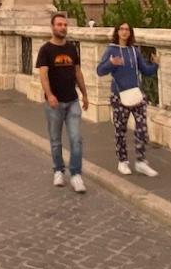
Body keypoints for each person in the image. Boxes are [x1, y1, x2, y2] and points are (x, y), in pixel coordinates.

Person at [96, 22, 159, 177]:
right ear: (117, 32)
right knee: (120, 130)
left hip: (137, 95)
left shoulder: (134, 51)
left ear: (130, 33)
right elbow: (100, 71)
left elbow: (145, 71)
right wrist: (111, 63)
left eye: (127, 30)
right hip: (119, 97)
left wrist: (155, 65)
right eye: (121, 29)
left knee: (142, 129)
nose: (124, 32)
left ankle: (141, 161)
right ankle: (122, 161)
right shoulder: (111, 50)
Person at [36, 13, 89, 193]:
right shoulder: (45, 50)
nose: (63, 27)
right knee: (56, 141)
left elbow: (77, 72)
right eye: (59, 24)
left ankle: (76, 174)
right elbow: (43, 75)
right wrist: (49, 95)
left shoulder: (72, 49)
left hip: (72, 100)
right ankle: (58, 170)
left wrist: (85, 93)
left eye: (65, 24)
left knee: (76, 139)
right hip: (55, 102)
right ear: (52, 27)